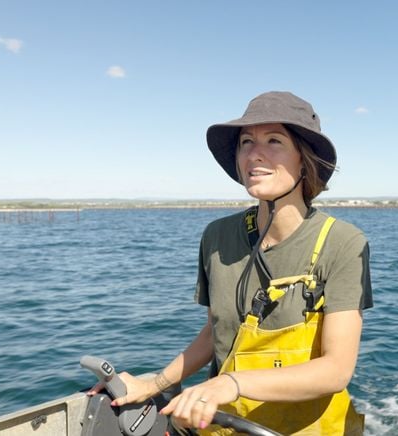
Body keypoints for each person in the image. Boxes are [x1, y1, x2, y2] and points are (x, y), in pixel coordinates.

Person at [90, 91, 373, 435]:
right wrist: (154, 383)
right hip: (221, 425)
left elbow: (336, 370)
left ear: (304, 160)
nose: (255, 154)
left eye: (274, 140)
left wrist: (231, 384)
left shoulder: (343, 242)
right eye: (246, 142)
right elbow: (216, 332)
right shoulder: (216, 237)